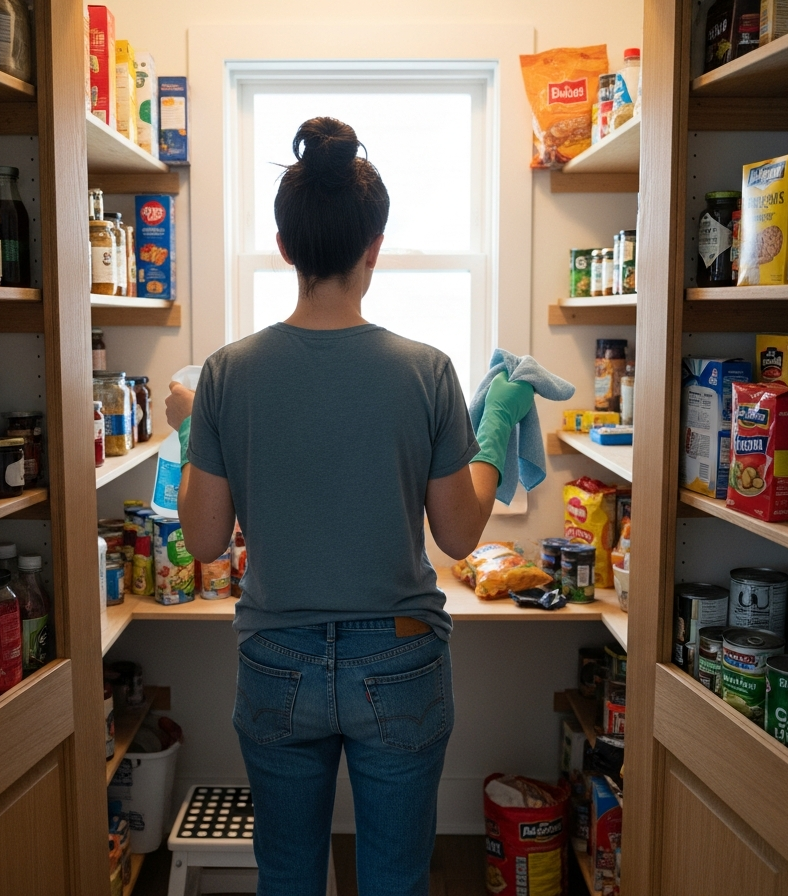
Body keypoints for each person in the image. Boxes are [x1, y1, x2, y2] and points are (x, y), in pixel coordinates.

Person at [164, 117, 534, 896]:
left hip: (276, 660)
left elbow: (201, 541)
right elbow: (461, 533)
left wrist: (196, 423)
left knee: (290, 877)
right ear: (375, 244)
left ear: (285, 245)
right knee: (396, 881)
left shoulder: (227, 375)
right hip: (399, 657)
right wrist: (497, 424)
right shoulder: (427, 372)